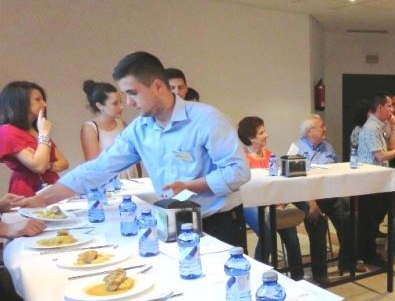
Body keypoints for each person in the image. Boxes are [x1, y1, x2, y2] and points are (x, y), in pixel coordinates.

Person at [14, 52, 251, 249]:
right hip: (171, 222)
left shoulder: (206, 119)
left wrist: (192, 185)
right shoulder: (140, 129)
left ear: (158, 86)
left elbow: (238, 171)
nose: (128, 103)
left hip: (218, 223)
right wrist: (42, 199)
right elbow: (98, 168)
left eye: (132, 93)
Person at [293, 114, 364, 282]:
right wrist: (312, 203)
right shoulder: (296, 149)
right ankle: (320, 274)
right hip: (307, 197)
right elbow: (296, 182)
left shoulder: (328, 147)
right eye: (321, 126)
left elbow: (337, 173)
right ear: (309, 132)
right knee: (318, 225)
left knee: (349, 218)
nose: (325, 129)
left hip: (329, 194)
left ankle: (347, 262)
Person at [237, 116, 304, 279]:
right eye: (261, 133)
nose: (266, 135)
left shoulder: (270, 155)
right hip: (250, 203)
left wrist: (282, 199)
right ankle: (259, 275)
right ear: (251, 138)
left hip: (272, 201)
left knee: (291, 235)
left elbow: (277, 182)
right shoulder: (242, 159)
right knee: (267, 235)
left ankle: (298, 277)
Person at [356, 92, 395, 265]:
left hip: (378, 181)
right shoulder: (371, 128)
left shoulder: (381, 126)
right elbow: (381, 156)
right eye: (388, 106)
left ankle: (369, 253)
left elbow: (394, 144)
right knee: (370, 220)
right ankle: (367, 254)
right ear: (379, 107)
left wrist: (394, 126)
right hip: (370, 181)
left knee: (374, 219)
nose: (392, 110)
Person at [0, 81, 69, 196]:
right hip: (28, 188)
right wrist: (44, 134)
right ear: (20, 103)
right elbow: (39, 166)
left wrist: (46, 164)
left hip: (51, 186)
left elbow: (63, 162)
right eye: (38, 99)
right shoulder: (7, 131)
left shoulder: (35, 130)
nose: (44, 104)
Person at [79, 80, 140, 179]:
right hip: (110, 181)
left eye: (120, 102)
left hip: (131, 178)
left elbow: (134, 155)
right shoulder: (90, 128)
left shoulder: (122, 124)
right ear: (100, 106)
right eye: (115, 104)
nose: (121, 107)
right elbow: (94, 165)